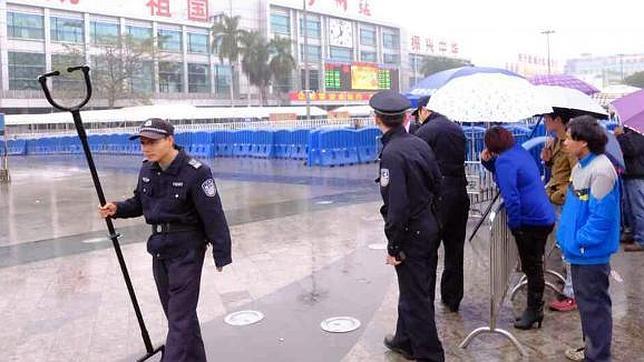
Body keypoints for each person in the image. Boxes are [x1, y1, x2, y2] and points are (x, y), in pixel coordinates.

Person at [98, 118, 232, 362]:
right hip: (159, 249)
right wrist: (117, 208)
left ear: (169, 140)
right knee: (179, 316)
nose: (146, 148)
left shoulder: (196, 172)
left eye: (152, 142)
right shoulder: (147, 169)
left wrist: (221, 253)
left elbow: (213, 215)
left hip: (187, 250)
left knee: (179, 319)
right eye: (142, 142)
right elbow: (139, 203)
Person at [371, 90, 445, 362]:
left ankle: (430, 355)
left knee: (416, 301)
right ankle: (405, 340)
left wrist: (394, 244)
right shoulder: (419, 143)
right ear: (405, 117)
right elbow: (438, 185)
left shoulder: (391, 153)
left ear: (376, 118)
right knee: (419, 289)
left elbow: (397, 206)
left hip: (411, 234)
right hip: (428, 227)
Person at [557, 116, 620, 362]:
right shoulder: (581, 166)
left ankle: (598, 356)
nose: (564, 141)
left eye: (569, 137)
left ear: (583, 142)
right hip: (580, 252)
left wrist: (578, 241)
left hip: (589, 253)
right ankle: (591, 349)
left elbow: (600, 220)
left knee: (595, 308)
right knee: (587, 307)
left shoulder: (601, 170)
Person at [480, 127, 555, 330]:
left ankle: (534, 310)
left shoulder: (505, 161)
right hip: (542, 215)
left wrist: (515, 226)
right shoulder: (518, 152)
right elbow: (506, 173)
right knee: (534, 265)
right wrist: (487, 162)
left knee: (532, 267)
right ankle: (534, 309)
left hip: (530, 219)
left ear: (491, 146)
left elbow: (511, 196)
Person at [413, 95, 470, 312]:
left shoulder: (425, 132)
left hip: (437, 196)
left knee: (429, 250)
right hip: (459, 193)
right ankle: (452, 298)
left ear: (424, 110)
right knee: (455, 249)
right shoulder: (457, 130)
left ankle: (425, 300)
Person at [540, 111, 579, 313]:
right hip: (555, 197)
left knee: (568, 246)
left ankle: (572, 293)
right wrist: (547, 161)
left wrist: (559, 194)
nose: (545, 122)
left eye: (548, 119)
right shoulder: (555, 142)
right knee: (563, 244)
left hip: (563, 200)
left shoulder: (569, 143)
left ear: (558, 120)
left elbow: (576, 175)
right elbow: (559, 170)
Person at [615, 125, 644, 252]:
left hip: (637, 174)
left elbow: (631, 149)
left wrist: (620, 136)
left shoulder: (639, 131)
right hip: (629, 173)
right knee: (629, 208)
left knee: (638, 209)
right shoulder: (631, 132)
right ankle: (632, 233)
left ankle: (641, 239)